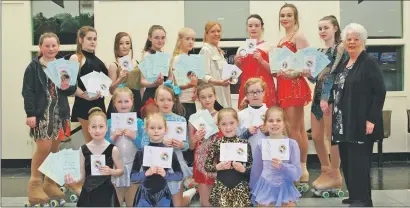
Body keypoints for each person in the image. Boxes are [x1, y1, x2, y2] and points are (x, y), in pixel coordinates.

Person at [333, 23, 386, 207]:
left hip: (362, 122)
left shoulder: (368, 62)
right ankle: (354, 195)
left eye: (356, 39)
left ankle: (364, 199)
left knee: (360, 161)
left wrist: (371, 119)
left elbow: (380, 92)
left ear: (363, 41)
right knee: (347, 161)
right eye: (349, 39)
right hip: (344, 122)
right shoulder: (345, 63)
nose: (352, 42)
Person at [22, 32, 76, 207]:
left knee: (54, 149)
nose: (51, 49)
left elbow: (69, 90)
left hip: (59, 113)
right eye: (47, 46)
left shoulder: (63, 66)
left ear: (58, 47)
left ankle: (50, 183)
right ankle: (35, 183)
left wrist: (67, 85)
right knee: (43, 147)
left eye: (54, 46)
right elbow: (27, 91)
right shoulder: (33, 67)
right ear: (41, 47)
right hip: (41, 113)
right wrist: (30, 113)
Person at [307, 15, 347, 191]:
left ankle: (335, 173)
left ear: (335, 28)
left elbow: (333, 73)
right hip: (318, 96)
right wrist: (306, 72)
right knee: (316, 136)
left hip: (332, 96)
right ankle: (325, 170)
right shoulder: (319, 52)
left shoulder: (340, 48)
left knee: (332, 136)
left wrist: (325, 97)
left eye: (326, 28)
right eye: (320, 28)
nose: (322, 31)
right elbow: (316, 77)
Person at [141, 85, 195, 206]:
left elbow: (186, 145)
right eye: (162, 100)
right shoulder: (150, 119)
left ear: (174, 101)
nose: (166, 103)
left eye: (169, 100)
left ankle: (189, 195)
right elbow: (143, 145)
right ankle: (190, 193)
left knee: (177, 203)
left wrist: (181, 144)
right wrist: (159, 142)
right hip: (156, 164)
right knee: (159, 201)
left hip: (175, 163)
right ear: (156, 101)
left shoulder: (180, 120)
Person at [276, 3, 311, 188]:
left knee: (294, 129)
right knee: (295, 128)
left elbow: (308, 64)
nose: (285, 18)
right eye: (282, 15)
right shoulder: (282, 38)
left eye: (289, 15)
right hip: (283, 85)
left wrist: (294, 72)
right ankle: (300, 167)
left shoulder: (299, 36)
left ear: (295, 18)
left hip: (294, 85)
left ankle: (299, 167)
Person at [65, 107, 124, 207]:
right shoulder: (83, 149)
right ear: (88, 129)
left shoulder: (113, 149)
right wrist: (74, 181)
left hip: (107, 194)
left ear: (106, 128)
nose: (97, 130)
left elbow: (121, 170)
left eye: (101, 126)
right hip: (88, 194)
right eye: (94, 127)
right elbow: (82, 176)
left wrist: (111, 171)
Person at [250, 107, 302, 207]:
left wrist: (283, 166)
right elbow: (256, 170)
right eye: (270, 120)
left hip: (285, 187)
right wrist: (253, 190)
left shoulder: (291, 144)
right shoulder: (261, 144)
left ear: (284, 123)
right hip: (265, 187)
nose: (274, 123)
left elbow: (297, 173)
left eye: (278, 120)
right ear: (265, 124)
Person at [131, 113, 183, 207]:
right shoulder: (141, 152)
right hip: (144, 196)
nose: (156, 131)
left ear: (165, 130)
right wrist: (146, 173)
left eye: (159, 128)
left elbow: (179, 175)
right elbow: (133, 177)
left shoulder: (169, 152)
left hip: (163, 196)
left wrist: (166, 174)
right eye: (152, 128)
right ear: (146, 130)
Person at [106, 32, 162, 119]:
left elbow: (141, 85)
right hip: (120, 102)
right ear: (116, 46)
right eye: (121, 43)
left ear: (131, 46)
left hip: (136, 100)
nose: (125, 46)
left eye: (127, 43)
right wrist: (120, 78)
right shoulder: (114, 65)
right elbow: (111, 91)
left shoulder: (136, 62)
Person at [205, 108, 253, 207]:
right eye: (224, 124)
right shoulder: (216, 143)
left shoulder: (244, 143)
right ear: (218, 125)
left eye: (231, 123)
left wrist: (243, 169)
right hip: (222, 187)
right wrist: (218, 167)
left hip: (240, 187)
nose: (228, 127)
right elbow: (207, 166)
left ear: (237, 122)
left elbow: (251, 167)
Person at [105, 87, 144, 207]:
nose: (123, 104)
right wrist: (112, 138)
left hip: (134, 165)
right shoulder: (109, 122)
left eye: (126, 101)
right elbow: (103, 146)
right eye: (119, 101)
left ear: (132, 101)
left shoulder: (138, 122)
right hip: (116, 166)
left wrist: (133, 137)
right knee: (116, 200)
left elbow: (143, 146)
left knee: (132, 201)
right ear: (114, 103)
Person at [70, 26, 108, 143]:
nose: (93, 42)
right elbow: (69, 84)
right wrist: (83, 95)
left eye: (95, 39)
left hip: (99, 104)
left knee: (100, 142)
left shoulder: (100, 61)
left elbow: (105, 85)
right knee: (92, 142)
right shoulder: (76, 58)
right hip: (84, 105)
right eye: (89, 39)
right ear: (81, 40)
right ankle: (88, 161)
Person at [234, 14, 277, 109]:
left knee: (266, 118)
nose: (253, 28)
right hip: (246, 88)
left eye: (257, 26)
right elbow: (234, 76)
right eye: (250, 26)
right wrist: (236, 65)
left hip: (264, 89)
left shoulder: (269, 47)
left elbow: (275, 73)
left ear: (262, 27)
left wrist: (262, 61)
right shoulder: (241, 48)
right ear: (247, 28)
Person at [189, 83, 220, 206]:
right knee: (205, 202)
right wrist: (195, 138)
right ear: (198, 98)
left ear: (215, 97)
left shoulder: (222, 115)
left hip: (219, 162)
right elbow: (191, 146)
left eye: (210, 96)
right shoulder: (194, 117)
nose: (207, 100)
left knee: (219, 200)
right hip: (201, 162)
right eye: (203, 97)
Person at [199, 21, 231, 110]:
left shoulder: (219, 51)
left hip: (224, 95)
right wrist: (218, 82)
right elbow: (202, 75)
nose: (216, 34)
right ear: (206, 34)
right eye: (213, 31)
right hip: (213, 98)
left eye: (218, 31)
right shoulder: (205, 50)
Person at [238, 78, 268, 155]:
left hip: (267, 158)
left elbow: (280, 137)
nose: (255, 95)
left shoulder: (271, 113)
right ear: (246, 95)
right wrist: (247, 133)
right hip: (246, 159)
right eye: (251, 92)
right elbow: (236, 140)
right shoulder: (240, 115)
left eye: (258, 91)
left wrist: (269, 132)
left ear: (263, 92)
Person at [141, 25, 167, 105]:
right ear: (150, 38)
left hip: (163, 94)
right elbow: (142, 81)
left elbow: (169, 77)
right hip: (151, 96)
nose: (160, 41)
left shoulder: (164, 56)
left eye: (163, 38)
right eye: (157, 38)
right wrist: (155, 83)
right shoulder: (147, 55)